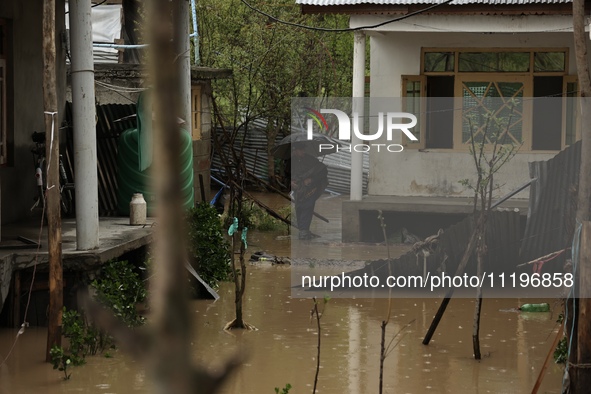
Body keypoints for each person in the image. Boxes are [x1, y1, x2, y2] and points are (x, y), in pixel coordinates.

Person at [289, 144, 329, 240]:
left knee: (307, 207)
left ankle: (304, 231)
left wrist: (311, 179)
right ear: (295, 151)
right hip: (298, 189)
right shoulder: (291, 161)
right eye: (300, 150)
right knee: (299, 207)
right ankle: (302, 230)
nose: (303, 152)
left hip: (311, 189)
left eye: (303, 150)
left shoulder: (311, 160)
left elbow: (323, 172)